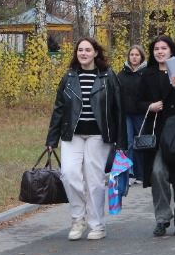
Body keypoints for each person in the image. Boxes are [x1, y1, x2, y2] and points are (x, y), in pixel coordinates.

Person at [46, 37, 126, 241]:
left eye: (87, 50)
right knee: (69, 174)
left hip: (98, 135)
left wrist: (121, 141)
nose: (83, 53)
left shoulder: (108, 76)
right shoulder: (69, 77)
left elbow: (118, 109)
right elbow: (59, 109)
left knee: (94, 181)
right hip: (71, 134)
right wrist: (51, 138)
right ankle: (78, 219)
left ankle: (97, 225)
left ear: (95, 53)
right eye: (80, 50)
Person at [136, 35, 175, 237]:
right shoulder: (147, 74)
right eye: (156, 49)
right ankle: (162, 218)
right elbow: (136, 103)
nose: (160, 51)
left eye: (164, 48)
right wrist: (149, 106)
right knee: (157, 173)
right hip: (157, 133)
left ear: (171, 51)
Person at [118, 45, 147, 187]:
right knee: (127, 142)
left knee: (140, 142)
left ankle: (141, 173)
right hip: (126, 114)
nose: (134, 57)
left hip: (141, 113)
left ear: (141, 57)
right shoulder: (122, 75)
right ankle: (129, 173)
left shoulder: (146, 73)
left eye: (137, 55)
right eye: (132, 55)